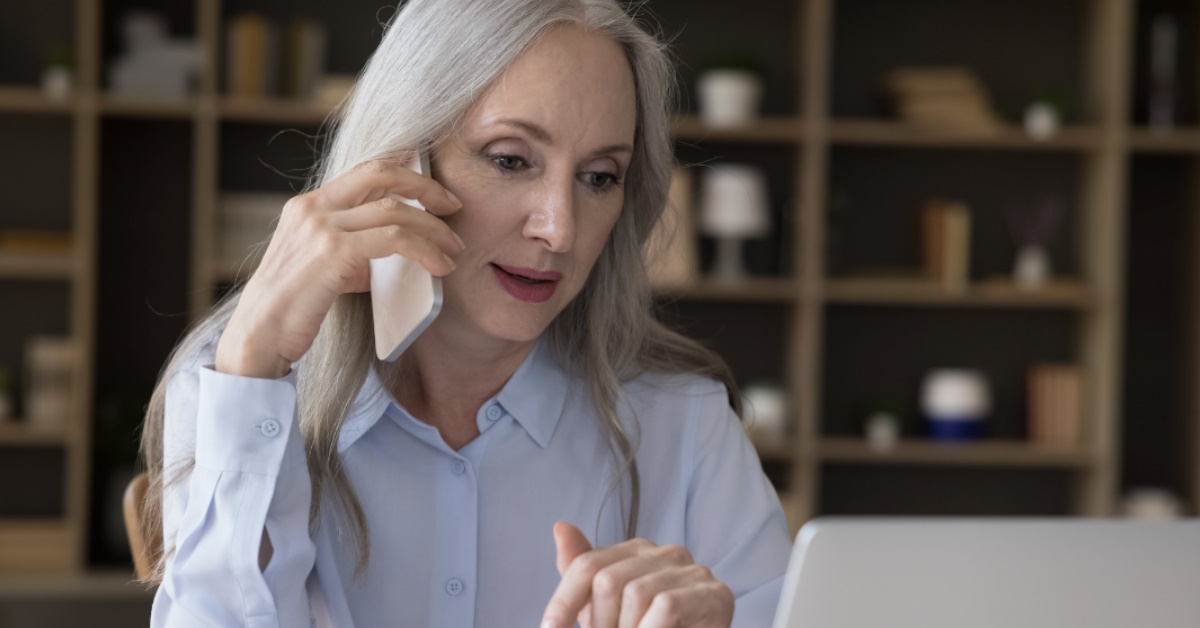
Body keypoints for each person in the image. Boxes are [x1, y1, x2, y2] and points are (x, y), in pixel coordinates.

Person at [139, 1, 791, 626]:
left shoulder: (686, 428)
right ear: (401, 162)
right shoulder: (240, 389)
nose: (559, 230)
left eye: (598, 177)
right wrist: (252, 368)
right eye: (510, 160)